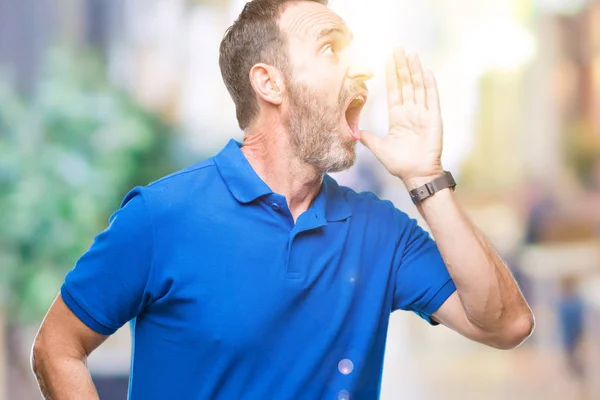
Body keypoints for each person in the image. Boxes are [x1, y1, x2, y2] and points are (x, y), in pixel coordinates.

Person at [31, 1, 535, 399]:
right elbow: (56, 347)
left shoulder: (380, 231)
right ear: (269, 82)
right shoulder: (162, 216)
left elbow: (506, 325)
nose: (359, 71)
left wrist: (427, 178)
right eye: (331, 49)